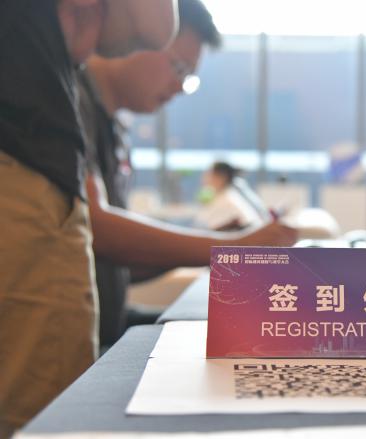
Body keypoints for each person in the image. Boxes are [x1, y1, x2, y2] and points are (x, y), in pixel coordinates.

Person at [0, 0, 178, 433]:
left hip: (29, 155)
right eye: (178, 66)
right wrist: (229, 249)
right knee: (39, 415)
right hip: (25, 159)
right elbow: (157, 27)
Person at [78, 0, 298, 348]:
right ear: (140, 34)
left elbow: (113, 261)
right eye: (179, 68)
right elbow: (96, 230)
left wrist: (209, 241)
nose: (180, 87)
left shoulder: (113, 128)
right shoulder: (72, 103)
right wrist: (229, 247)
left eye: (188, 77)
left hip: (104, 326)